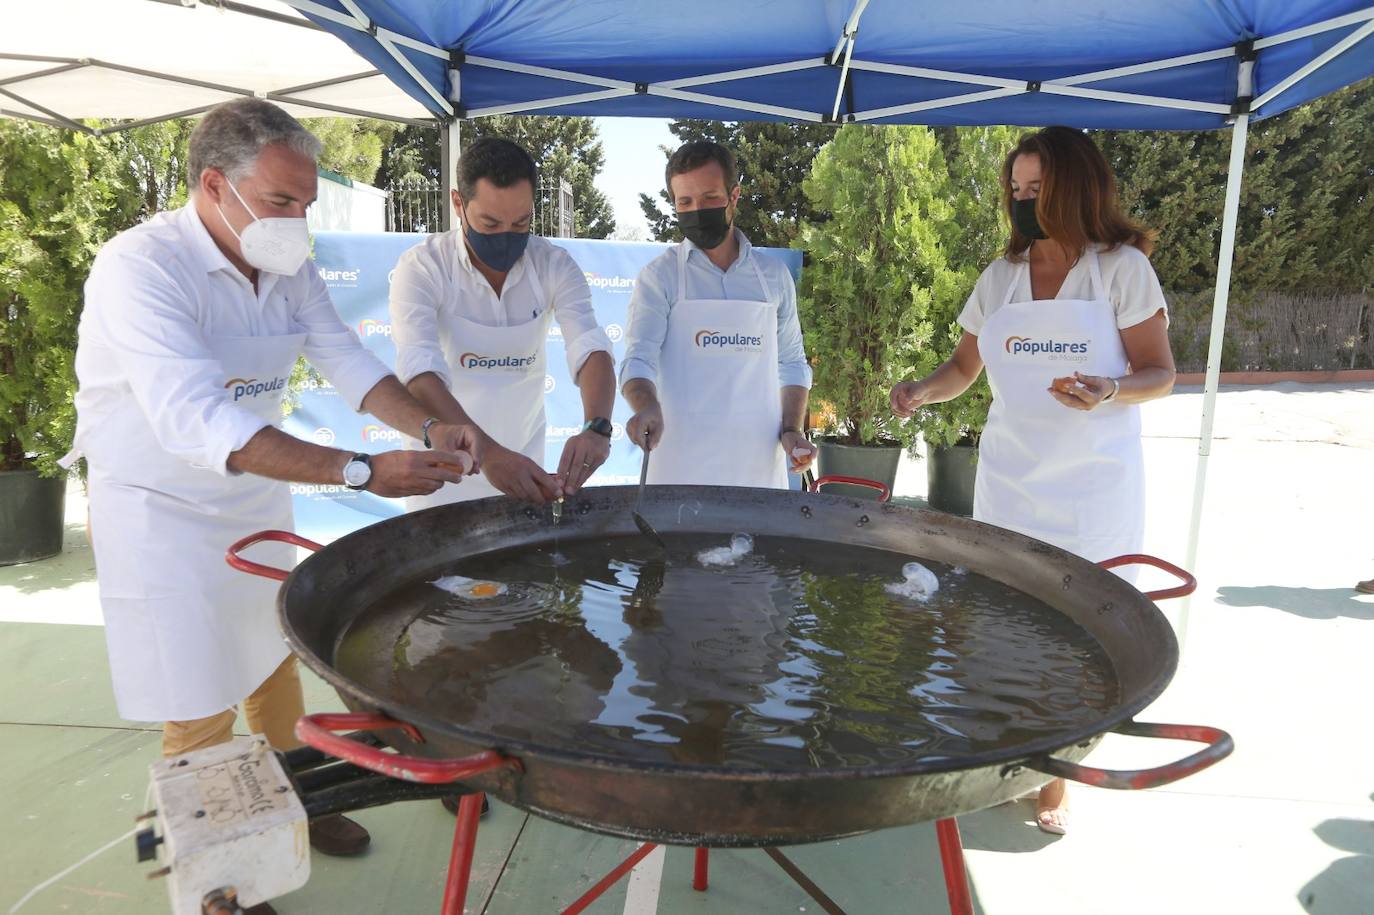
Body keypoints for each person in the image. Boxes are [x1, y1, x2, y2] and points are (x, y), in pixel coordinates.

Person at [65, 99, 479, 896]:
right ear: (215, 186)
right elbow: (194, 416)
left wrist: (429, 426)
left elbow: (350, 363)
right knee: (198, 698)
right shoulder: (140, 267)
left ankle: (294, 797)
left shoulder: (287, 264)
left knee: (270, 653)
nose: (297, 221)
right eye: (281, 202)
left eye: (307, 204)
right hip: (160, 508)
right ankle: (222, 877)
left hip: (252, 486)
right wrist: (360, 471)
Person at [889, 126, 1176, 836]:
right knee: (1006, 624)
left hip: (1093, 491)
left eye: (1036, 188)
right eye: (1015, 189)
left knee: (1080, 637)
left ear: (1074, 189)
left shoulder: (1121, 271)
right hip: (1010, 485)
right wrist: (922, 391)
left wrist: (1110, 389)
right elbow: (964, 370)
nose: (1022, 201)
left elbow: (1160, 373)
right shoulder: (999, 280)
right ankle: (1011, 747)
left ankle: (1057, 777)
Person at [389, 137, 616, 507]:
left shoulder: (553, 265)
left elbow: (589, 345)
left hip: (526, 469)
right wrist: (490, 455)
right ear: (458, 203)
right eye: (490, 223)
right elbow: (419, 371)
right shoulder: (422, 268)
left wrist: (598, 427)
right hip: (440, 474)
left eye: (521, 222)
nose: (507, 237)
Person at [620, 141, 816, 486]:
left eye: (710, 198)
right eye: (685, 202)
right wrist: (645, 405)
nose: (697, 210)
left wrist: (792, 430)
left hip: (757, 469)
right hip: (677, 467)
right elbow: (638, 360)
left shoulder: (772, 277)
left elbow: (792, 363)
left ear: (734, 196)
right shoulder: (660, 276)